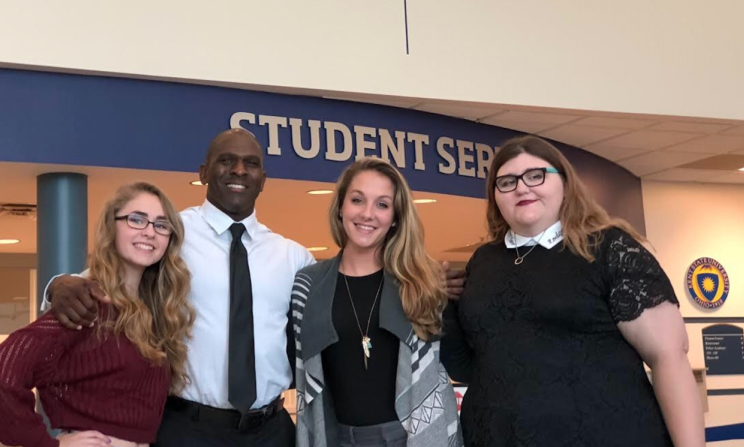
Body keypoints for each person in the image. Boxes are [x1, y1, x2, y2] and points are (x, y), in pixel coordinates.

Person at [47, 130, 467, 447]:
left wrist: (428, 276)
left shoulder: (295, 260)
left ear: (263, 179)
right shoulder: (172, 232)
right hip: (187, 427)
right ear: (203, 173)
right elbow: (108, 278)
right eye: (226, 161)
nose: (239, 171)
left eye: (250, 164)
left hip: (270, 431)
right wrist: (59, 285)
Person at [455, 136, 705, 447]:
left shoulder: (608, 247)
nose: (522, 187)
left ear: (565, 183)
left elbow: (669, 358)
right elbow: (472, 362)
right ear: (495, 196)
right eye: (506, 181)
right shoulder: (483, 262)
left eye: (535, 176)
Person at [0, 182, 194, 447]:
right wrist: (46, 444)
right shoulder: (86, 305)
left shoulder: (153, 313)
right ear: (111, 227)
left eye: (161, 224)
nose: (149, 231)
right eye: (136, 220)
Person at [292, 157, 463, 447]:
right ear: (341, 208)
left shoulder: (422, 282)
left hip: (412, 438)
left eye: (382, 204)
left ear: (395, 217)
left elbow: (459, 361)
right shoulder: (308, 284)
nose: (368, 214)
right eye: (357, 200)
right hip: (337, 437)